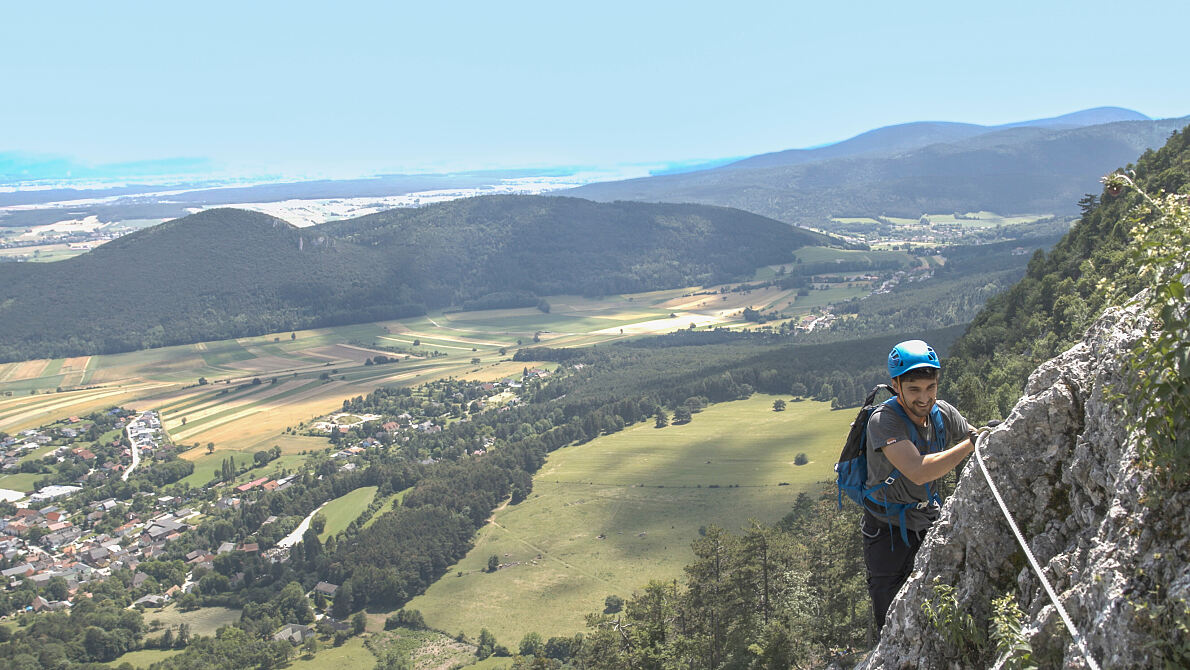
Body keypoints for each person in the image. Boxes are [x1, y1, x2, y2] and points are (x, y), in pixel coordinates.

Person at [863, 339, 977, 633]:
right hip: (886, 528)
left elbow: (975, 437)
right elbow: (918, 471)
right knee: (889, 616)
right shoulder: (883, 421)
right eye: (914, 389)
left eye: (930, 387)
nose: (924, 398)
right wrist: (970, 444)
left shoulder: (943, 413)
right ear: (896, 385)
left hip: (926, 518)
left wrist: (983, 437)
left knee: (936, 599)